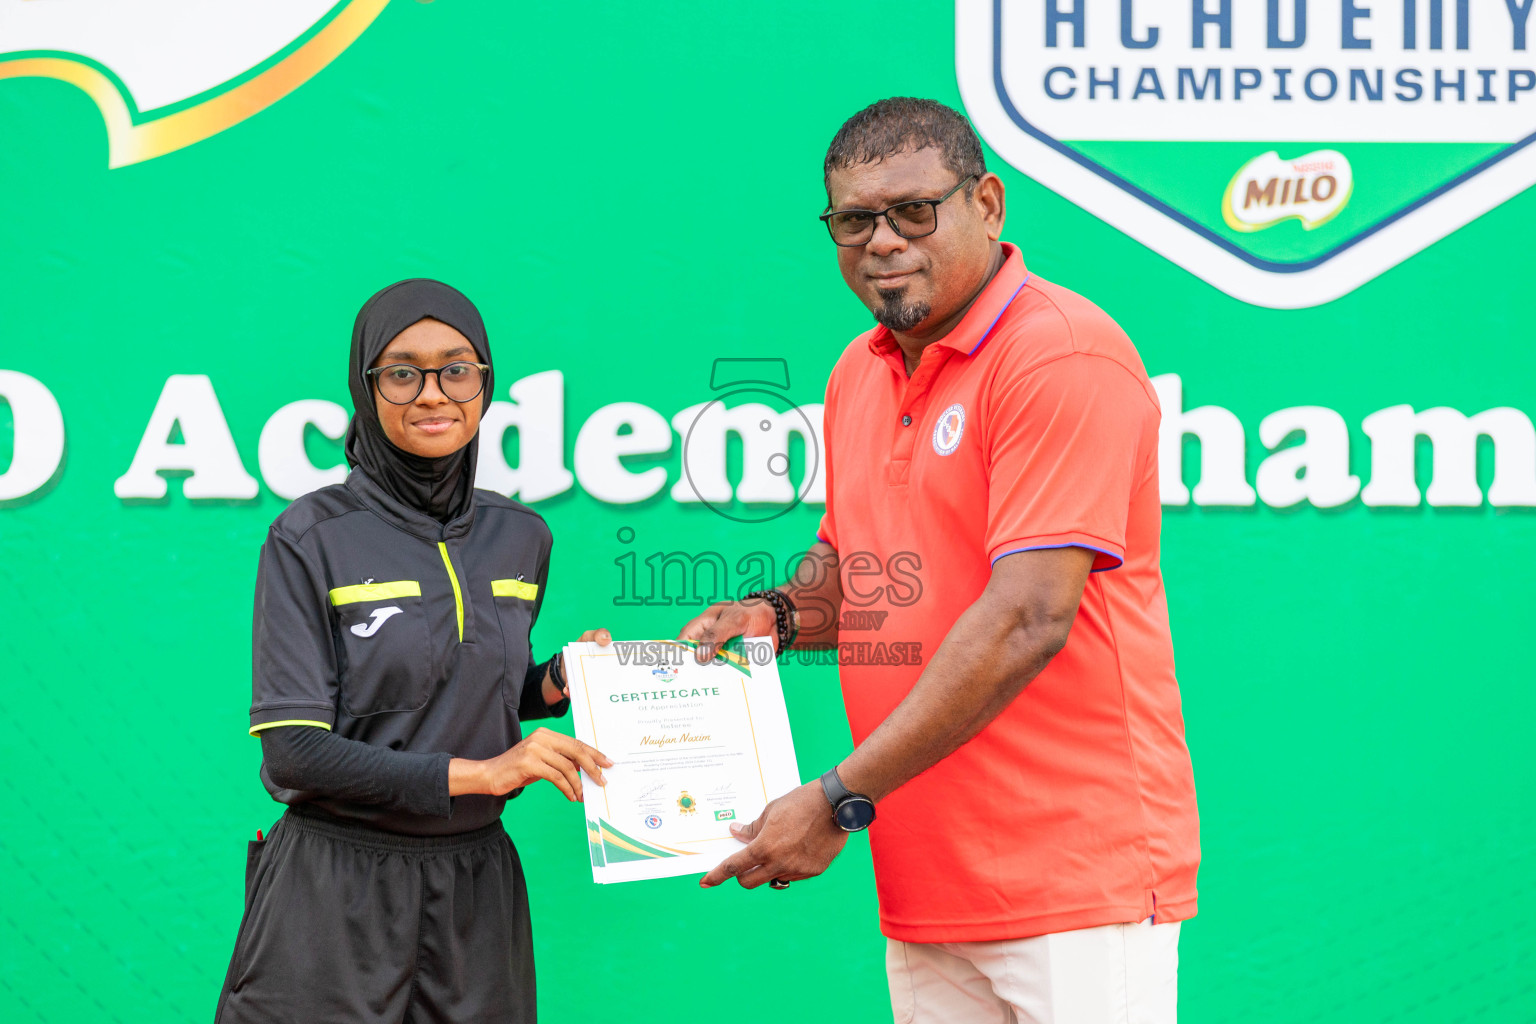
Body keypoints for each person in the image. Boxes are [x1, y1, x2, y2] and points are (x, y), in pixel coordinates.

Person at [681, 99, 1200, 1023]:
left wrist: (840, 799)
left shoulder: (1060, 356)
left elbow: (1026, 620)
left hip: (1077, 884)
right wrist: (778, 615)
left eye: (914, 211)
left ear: (989, 205)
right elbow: (863, 569)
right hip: (929, 886)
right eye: (853, 219)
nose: (882, 241)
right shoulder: (858, 370)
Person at [215, 279, 612, 1024]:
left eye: (457, 370)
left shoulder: (522, 536)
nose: (433, 394)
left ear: (487, 385)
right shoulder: (311, 536)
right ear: (367, 389)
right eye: (403, 373)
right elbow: (294, 752)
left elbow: (459, 683)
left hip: (475, 886)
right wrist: (486, 771)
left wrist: (557, 682)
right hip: (335, 886)